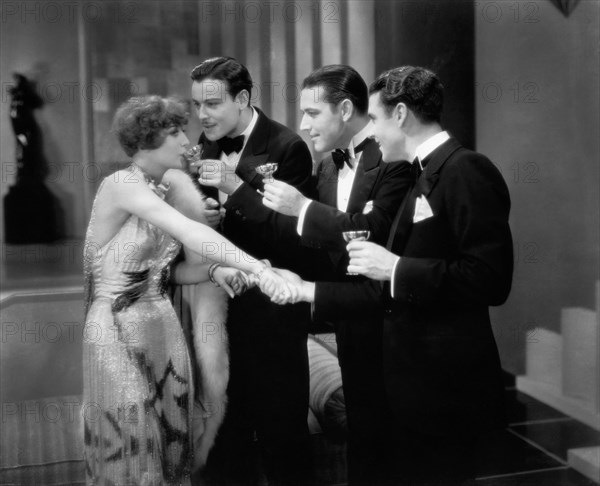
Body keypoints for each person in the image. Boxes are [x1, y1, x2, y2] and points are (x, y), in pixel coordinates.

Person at [273, 66, 514, 485]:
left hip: (447, 388)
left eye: (377, 120)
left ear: (400, 115)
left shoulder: (467, 169)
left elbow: (491, 279)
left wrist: (395, 268)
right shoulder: (423, 175)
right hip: (414, 389)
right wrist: (306, 290)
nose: (374, 132)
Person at [82, 95, 289, 486]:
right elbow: (191, 232)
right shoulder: (121, 184)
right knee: (131, 441)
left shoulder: (163, 189)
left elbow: (166, 273)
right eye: (175, 132)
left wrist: (216, 270)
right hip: (115, 330)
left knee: (171, 442)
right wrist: (257, 268)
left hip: (162, 327)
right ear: (146, 141)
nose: (186, 141)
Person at [261, 64, 412, 484]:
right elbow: (319, 247)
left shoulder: (395, 158)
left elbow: (375, 234)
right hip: (349, 322)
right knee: (362, 436)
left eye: (312, 113)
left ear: (345, 109)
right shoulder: (328, 167)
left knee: (394, 442)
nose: (303, 125)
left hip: (392, 325)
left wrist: (301, 208)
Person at [189, 57, 315, 485]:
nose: (202, 115)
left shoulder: (287, 146)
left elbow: (293, 238)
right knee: (228, 435)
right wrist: (207, 216)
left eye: (212, 103)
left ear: (242, 99)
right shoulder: (205, 143)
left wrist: (234, 190)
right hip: (220, 314)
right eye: (196, 105)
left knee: (284, 436)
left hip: (274, 313)